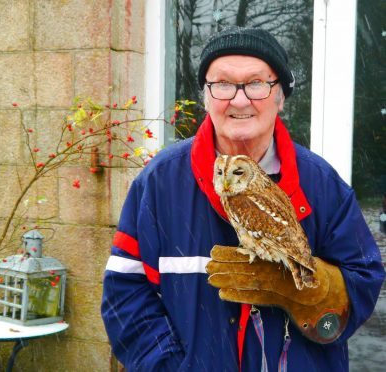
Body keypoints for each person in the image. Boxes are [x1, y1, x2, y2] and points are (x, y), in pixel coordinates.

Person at [101, 27, 385, 371]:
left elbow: (363, 281)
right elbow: (125, 293)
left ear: (280, 96)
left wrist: (312, 295)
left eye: (256, 83)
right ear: (205, 97)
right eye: (222, 84)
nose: (239, 100)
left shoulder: (321, 185)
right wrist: (170, 366)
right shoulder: (160, 183)